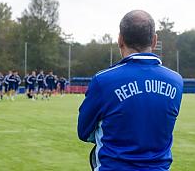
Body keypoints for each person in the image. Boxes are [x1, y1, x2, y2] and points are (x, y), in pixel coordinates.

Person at [77, 10, 183, 171]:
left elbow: (84, 132)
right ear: (154, 40)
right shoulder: (176, 81)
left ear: (120, 40)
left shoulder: (103, 80)